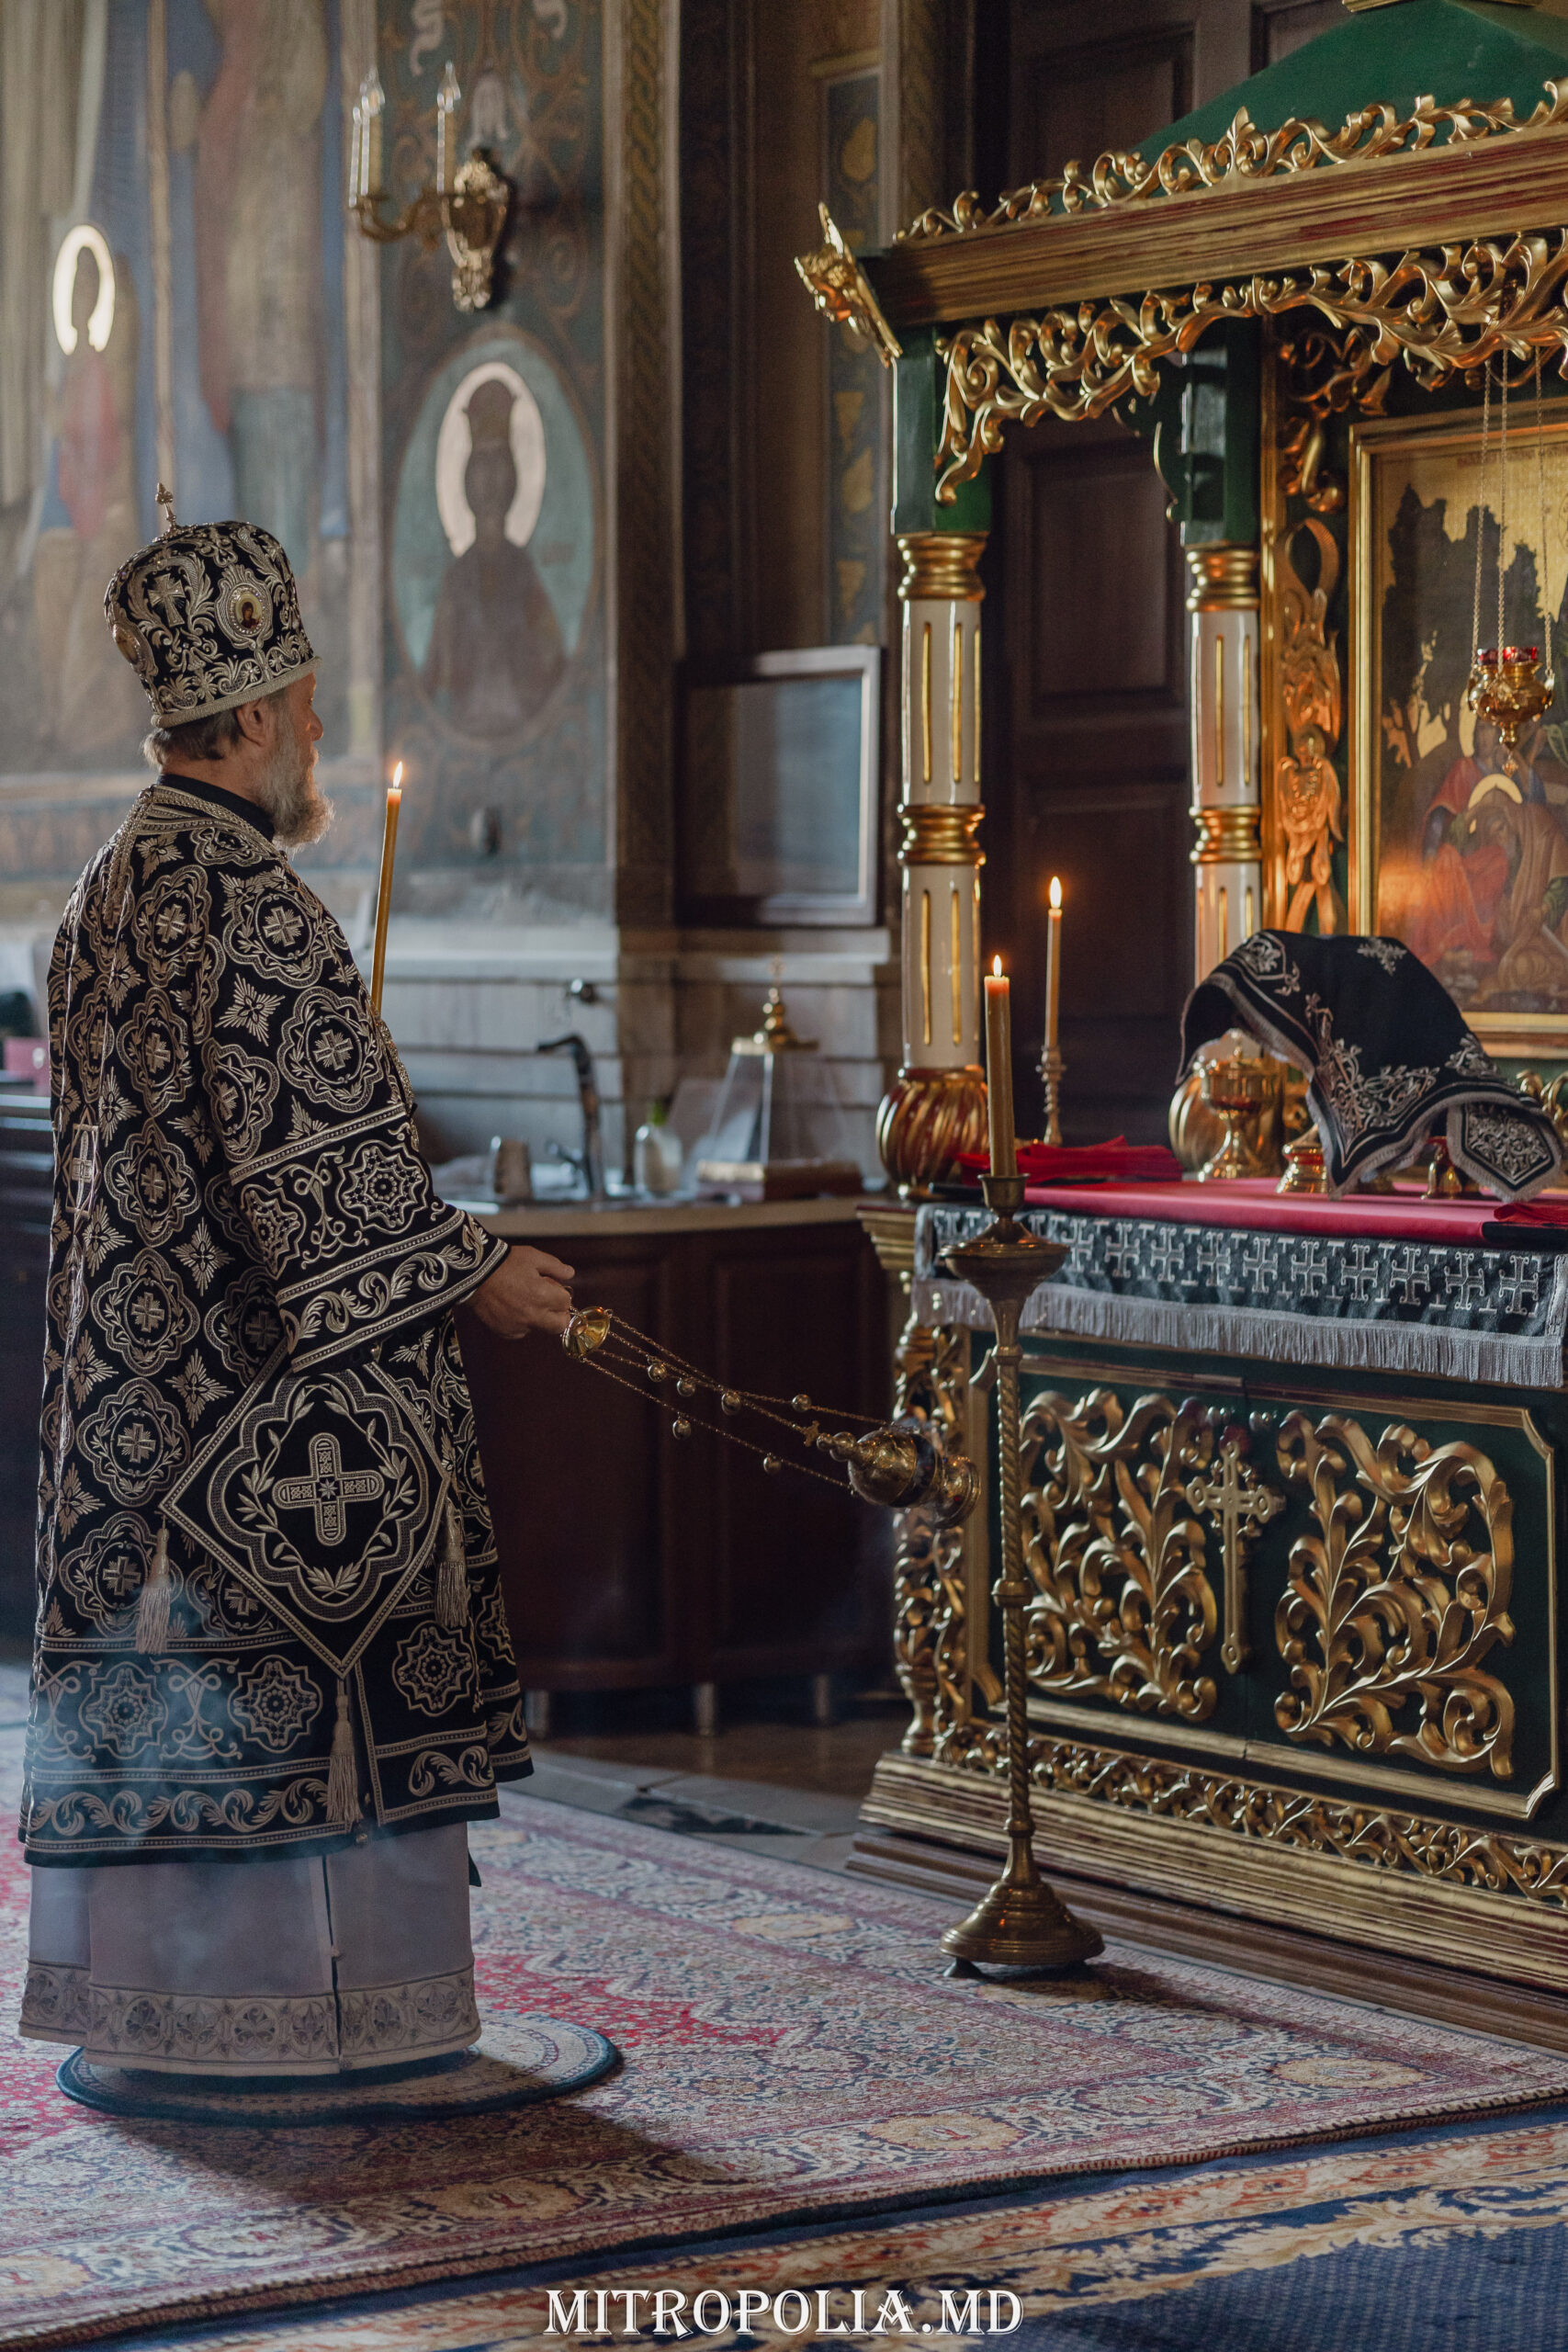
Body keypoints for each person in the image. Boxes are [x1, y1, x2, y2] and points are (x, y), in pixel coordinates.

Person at [18, 499, 574, 2078]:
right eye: (310, 704)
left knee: (167, 1690)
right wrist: (480, 1271)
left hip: (131, 1413)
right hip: (259, 1419)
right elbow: (323, 1200)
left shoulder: (104, 891)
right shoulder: (254, 902)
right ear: (255, 715)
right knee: (299, 1669)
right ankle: (310, 2023)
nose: (319, 732)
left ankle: (166, 2015)